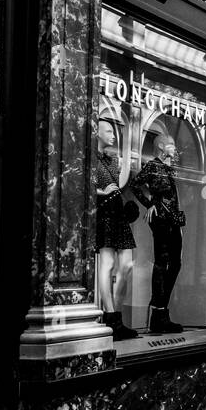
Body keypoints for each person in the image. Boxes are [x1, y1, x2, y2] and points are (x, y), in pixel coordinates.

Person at [131, 133, 187, 334]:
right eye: (172, 144)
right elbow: (135, 184)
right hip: (161, 219)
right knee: (162, 262)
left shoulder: (168, 168)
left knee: (176, 262)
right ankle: (159, 313)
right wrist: (150, 203)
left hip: (173, 219)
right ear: (162, 146)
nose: (174, 148)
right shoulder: (153, 166)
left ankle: (161, 307)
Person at [93, 120, 138, 341]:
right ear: (97, 133)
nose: (112, 135)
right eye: (108, 131)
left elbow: (120, 183)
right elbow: (79, 184)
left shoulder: (112, 160)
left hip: (118, 212)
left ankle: (116, 316)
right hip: (103, 212)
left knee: (128, 265)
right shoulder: (88, 157)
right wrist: (101, 192)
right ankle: (110, 316)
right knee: (108, 264)